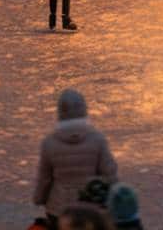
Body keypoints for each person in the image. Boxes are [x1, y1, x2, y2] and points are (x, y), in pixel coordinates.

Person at [32, 89, 117, 227]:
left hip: (58, 209)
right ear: (84, 110)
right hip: (91, 210)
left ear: (60, 113)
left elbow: (45, 179)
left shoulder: (49, 143)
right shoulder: (97, 139)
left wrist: (39, 198)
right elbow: (109, 174)